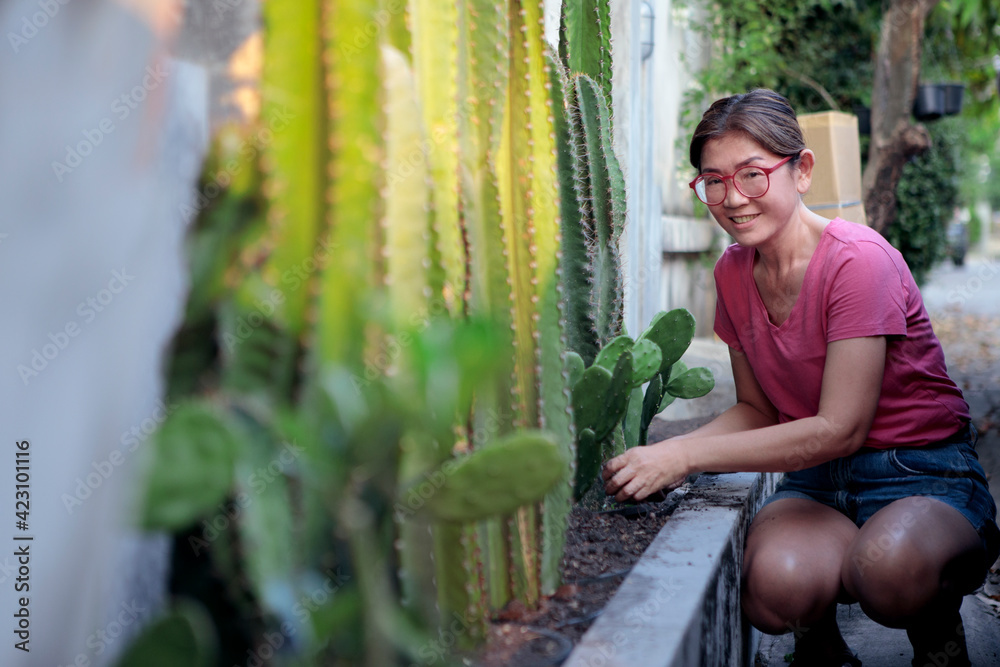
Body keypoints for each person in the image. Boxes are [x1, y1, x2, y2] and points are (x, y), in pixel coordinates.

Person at [602, 88, 999, 667]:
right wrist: (664, 453)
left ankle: (937, 634)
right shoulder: (733, 271)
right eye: (713, 181)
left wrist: (683, 460)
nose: (732, 198)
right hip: (817, 484)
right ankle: (821, 649)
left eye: (752, 175)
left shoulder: (857, 260)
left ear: (802, 170)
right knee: (775, 590)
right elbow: (758, 411)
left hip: (920, 474)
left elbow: (840, 428)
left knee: (888, 571)